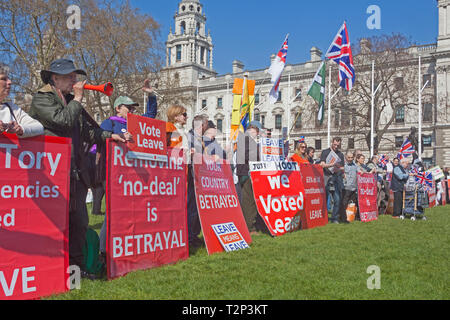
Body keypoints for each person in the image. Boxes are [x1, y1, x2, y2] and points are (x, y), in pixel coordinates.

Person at [28, 58, 130, 278]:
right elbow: (62, 121)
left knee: (79, 223)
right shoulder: (42, 99)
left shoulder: (71, 101)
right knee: (55, 223)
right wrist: (79, 98)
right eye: (69, 76)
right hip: (51, 172)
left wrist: (112, 135)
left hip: (76, 172)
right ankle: (52, 270)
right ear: (55, 78)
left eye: (75, 76)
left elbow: (89, 133)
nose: (75, 81)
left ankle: (76, 271)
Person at [236, 121, 266, 234]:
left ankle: (252, 224)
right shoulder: (246, 141)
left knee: (251, 200)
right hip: (247, 174)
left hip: (250, 173)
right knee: (249, 201)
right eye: (256, 131)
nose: (257, 133)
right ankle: (249, 227)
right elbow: (248, 156)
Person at [0, 63, 43, 137]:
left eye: (9, 78)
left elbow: (39, 127)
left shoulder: (12, 108)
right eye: (4, 79)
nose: (10, 82)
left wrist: (20, 129)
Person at [186, 114, 209, 249]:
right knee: (192, 208)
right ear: (202, 125)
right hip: (191, 176)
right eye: (206, 124)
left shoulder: (200, 139)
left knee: (198, 208)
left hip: (200, 177)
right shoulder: (190, 137)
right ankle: (189, 236)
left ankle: (194, 234)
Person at [319, 137, 345, 224]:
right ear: (332, 143)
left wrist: (339, 168)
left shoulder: (340, 154)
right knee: (324, 198)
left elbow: (342, 167)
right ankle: (323, 217)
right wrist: (332, 164)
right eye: (335, 145)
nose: (336, 146)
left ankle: (334, 218)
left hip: (336, 177)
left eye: (338, 145)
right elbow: (322, 165)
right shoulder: (325, 152)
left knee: (337, 199)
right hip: (326, 176)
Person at [338, 151, 358, 223]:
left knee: (353, 203)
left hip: (353, 188)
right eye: (348, 157)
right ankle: (343, 218)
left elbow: (360, 171)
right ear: (345, 157)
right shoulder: (343, 166)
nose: (350, 159)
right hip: (346, 188)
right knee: (344, 203)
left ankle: (352, 216)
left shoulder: (355, 165)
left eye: (352, 157)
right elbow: (338, 172)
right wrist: (342, 174)